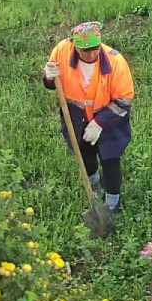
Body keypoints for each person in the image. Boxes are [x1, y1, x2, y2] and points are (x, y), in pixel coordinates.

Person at [43, 21, 134, 217]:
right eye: (85, 51)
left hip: (109, 117)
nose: (91, 55)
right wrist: (49, 77)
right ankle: (94, 185)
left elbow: (124, 100)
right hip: (75, 114)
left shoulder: (115, 61)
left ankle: (112, 204)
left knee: (111, 159)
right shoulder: (62, 51)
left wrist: (99, 123)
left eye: (95, 49)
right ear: (75, 46)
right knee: (84, 154)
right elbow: (51, 83)